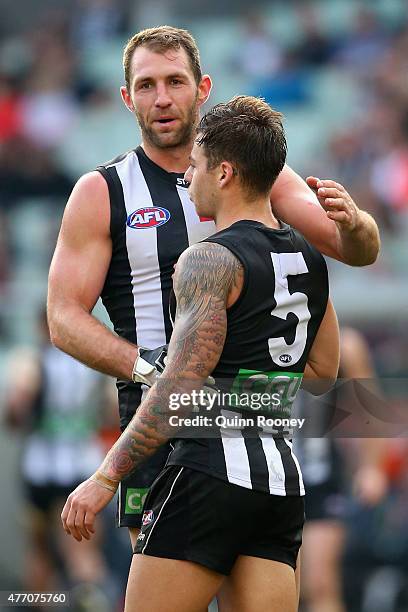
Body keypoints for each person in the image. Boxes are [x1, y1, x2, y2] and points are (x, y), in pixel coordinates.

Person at [48, 26, 379, 545]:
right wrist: (148, 367)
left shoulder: (254, 173)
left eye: (175, 81)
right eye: (146, 85)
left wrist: (356, 223)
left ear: (202, 88)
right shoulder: (103, 191)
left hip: (251, 415)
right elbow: (63, 318)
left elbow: (352, 250)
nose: (162, 98)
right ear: (126, 97)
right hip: (159, 420)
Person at [61, 94, 340, 612]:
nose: (188, 179)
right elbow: (323, 372)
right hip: (279, 478)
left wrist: (103, 479)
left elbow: (178, 386)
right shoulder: (308, 257)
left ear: (226, 173)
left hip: (210, 472)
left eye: (196, 167)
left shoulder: (208, 258)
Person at [3, 310, 113, 608]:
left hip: (40, 468)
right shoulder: (94, 362)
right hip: (83, 467)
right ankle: (90, 598)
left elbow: (15, 410)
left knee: (40, 552)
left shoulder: (32, 360)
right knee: (83, 553)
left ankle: (46, 602)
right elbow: (112, 410)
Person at [295, 328, 388, 612]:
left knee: (320, 583)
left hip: (318, 473)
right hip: (262, 472)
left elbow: (369, 408)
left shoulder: (344, 343)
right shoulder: (256, 328)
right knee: (277, 586)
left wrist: (372, 468)